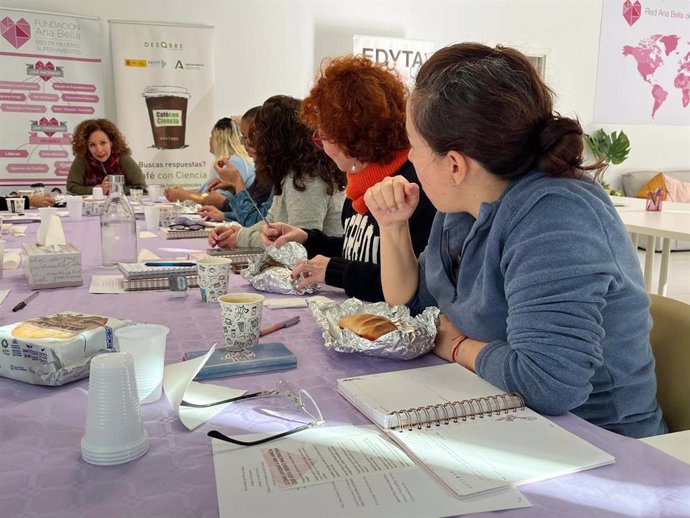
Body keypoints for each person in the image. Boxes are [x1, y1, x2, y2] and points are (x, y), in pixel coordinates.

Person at [364, 43, 665, 439]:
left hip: (598, 439)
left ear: (454, 165)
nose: (410, 160)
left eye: (414, 148)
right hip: (503, 412)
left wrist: (456, 346)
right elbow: (412, 306)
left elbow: (549, 382)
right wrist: (392, 225)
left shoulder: (557, 215)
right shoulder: (458, 209)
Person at [262, 55, 436, 302]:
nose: (321, 146)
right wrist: (309, 239)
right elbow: (360, 248)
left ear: (350, 136)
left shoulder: (412, 186)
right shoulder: (359, 184)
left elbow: (412, 283)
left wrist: (335, 271)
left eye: (323, 136)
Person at [208, 95, 345, 250]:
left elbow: (297, 244)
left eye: (257, 136)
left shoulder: (306, 179)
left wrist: (241, 238)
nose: (252, 144)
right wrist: (238, 232)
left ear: (274, 141)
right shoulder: (293, 173)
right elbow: (271, 221)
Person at [197, 107, 273, 225]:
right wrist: (225, 215)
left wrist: (237, 181)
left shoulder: (236, 162)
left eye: (247, 137)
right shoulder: (263, 170)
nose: (245, 144)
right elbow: (255, 211)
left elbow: (255, 219)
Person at [164, 117, 254, 208]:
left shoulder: (234, 163)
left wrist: (184, 196)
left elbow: (217, 200)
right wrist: (182, 193)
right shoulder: (233, 161)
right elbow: (206, 192)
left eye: (212, 136)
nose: (210, 140)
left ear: (220, 139)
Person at [67, 118, 147, 195]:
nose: (99, 150)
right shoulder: (82, 158)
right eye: (92, 145)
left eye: (103, 143)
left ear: (111, 143)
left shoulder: (122, 157)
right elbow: (71, 187)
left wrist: (113, 190)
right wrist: (98, 190)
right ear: (86, 146)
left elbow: (141, 187)